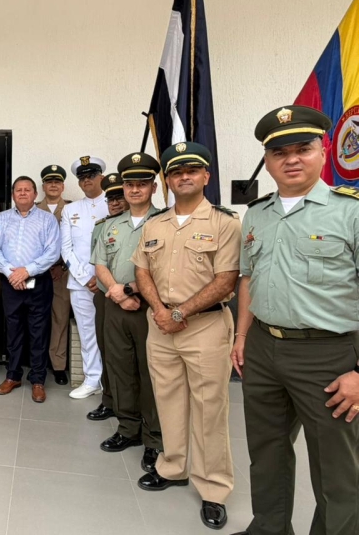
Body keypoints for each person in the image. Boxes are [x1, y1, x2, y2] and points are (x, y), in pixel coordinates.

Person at [229, 106, 359, 535]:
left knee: (337, 468)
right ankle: (268, 527)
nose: (291, 159)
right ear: (267, 160)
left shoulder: (350, 212)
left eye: (303, 148)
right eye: (279, 151)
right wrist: (243, 335)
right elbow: (249, 278)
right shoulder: (258, 214)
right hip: (264, 348)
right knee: (266, 451)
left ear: (322, 151)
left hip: (328, 355)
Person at [132, 142, 240, 530]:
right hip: (161, 326)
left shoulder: (225, 223)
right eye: (176, 172)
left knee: (211, 409)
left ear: (206, 176)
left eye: (192, 170)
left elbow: (227, 278)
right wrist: (162, 312)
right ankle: (174, 466)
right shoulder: (154, 224)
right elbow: (142, 270)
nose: (184, 177)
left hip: (205, 327)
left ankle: (213, 488)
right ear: (167, 180)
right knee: (169, 400)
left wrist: (180, 312)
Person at [93, 154, 163, 472]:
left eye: (142, 183)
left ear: (153, 186)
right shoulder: (111, 225)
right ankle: (128, 429)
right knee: (119, 369)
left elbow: (165, 270)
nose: (135, 189)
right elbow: (101, 264)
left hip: (149, 308)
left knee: (150, 375)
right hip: (116, 305)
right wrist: (118, 294)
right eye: (130, 184)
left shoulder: (164, 222)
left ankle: (155, 439)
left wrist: (131, 291)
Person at [0, 176, 61, 403]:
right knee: (13, 330)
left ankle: (38, 379)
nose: (22, 193)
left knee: (38, 332)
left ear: (34, 194)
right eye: (18, 190)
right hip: (11, 283)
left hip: (38, 283)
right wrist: (12, 274)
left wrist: (26, 271)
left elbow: (53, 252)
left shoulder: (48, 220)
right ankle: (13, 375)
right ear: (13, 195)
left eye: (27, 190)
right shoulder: (1, 218)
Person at [61, 156, 108, 399]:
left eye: (91, 175)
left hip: (110, 283)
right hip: (80, 284)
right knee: (87, 332)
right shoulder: (70, 209)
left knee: (112, 333)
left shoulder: (114, 203)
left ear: (101, 176)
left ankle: (112, 381)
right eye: (82, 177)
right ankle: (92, 379)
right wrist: (83, 277)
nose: (86, 180)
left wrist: (101, 279)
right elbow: (66, 248)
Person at [86, 173, 129, 422]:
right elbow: (98, 259)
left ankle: (130, 409)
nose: (115, 203)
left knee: (128, 356)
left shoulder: (142, 224)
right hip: (104, 295)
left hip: (132, 296)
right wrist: (97, 279)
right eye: (110, 198)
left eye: (119, 197)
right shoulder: (101, 226)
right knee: (106, 348)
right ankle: (110, 399)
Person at [36, 164, 72, 385]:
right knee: (36, 318)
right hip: (37, 272)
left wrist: (63, 267)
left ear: (63, 186)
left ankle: (58, 365)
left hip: (61, 273)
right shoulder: (32, 209)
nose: (53, 185)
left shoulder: (71, 209)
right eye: (49, 182)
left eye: (57, 182)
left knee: (60, 318)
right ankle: (36, 360)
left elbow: (76, 243)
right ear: (43, 186)